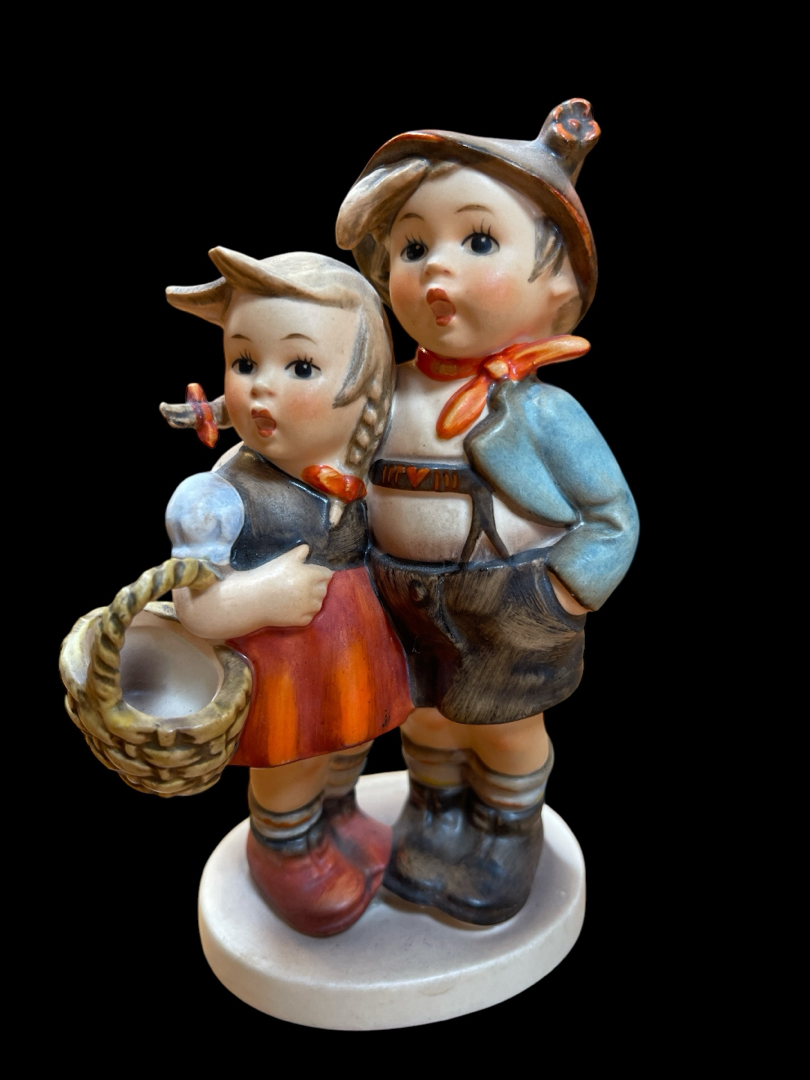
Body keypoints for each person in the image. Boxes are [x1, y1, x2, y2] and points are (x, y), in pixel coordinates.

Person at [332, 99, 640, 924]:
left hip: (508, 598)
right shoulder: (382, 393)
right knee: (426, 722)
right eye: (412, 247)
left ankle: (507, 828)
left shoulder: (543, 412)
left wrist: (562, 593)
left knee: (505, 728)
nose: (436, 269)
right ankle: (433, 813)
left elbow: (612, 515)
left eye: (477, 241)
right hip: (398, 594)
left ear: (559, 285)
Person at [164, 248, 412, 936]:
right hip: (282, 662)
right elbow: (194, 607)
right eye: (244, 362)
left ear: (366, 388)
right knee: (291, 764)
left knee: (349, 745)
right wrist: (260, 597)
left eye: (300, 367)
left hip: (350, 646)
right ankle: (283, 847)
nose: (260, 388)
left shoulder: (362, 468)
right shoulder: (217, 495)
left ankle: (338, 815)